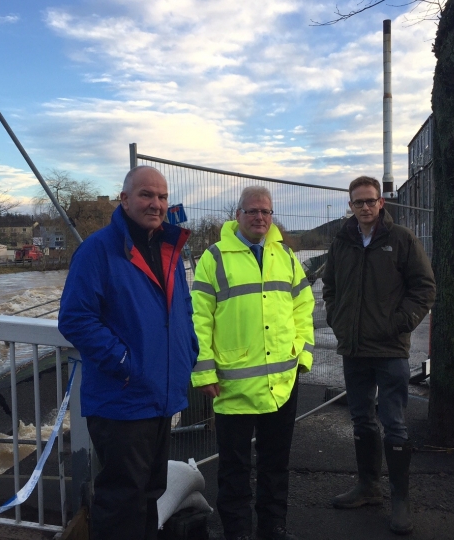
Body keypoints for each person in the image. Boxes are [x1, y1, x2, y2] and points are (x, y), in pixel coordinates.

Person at [58, 166, 198, 540]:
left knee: (150, 495)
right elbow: (75, 318)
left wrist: (189, 350)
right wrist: (124, 362)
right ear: (125, 199)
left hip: (160, 394)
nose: (156, 204)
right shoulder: (98, 250)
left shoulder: (169, 249)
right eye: (146, 195)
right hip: (122, 398)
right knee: (121, 500)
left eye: (163, 197)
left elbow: (183, 308)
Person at [191, 186, 315, 540]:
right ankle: (239, 532)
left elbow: (303, 309)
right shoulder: (214, 258)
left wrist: (302, 356)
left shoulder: (287, 257)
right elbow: (199, 319)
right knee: (234, 468)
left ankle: (274, 528)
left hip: (281, 384)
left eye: (266, 211)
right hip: (232, 385)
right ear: (238, 215)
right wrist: (204, 373)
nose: (260, 217)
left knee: (276, 465)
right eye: (252, 211)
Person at [322, 176, 435, 535]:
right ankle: (368, 487)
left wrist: (399, 323)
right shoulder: (342, 241)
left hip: (389, 350)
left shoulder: (401, 240)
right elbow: (330, 288)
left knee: (394, 422)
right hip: (354, 348)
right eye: (359, 202)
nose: (365, 207)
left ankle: (399, 499)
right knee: (361, 420)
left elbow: (424, 288)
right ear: (350, 205)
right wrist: (338, 321)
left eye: (371, 201)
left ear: (381, 202)